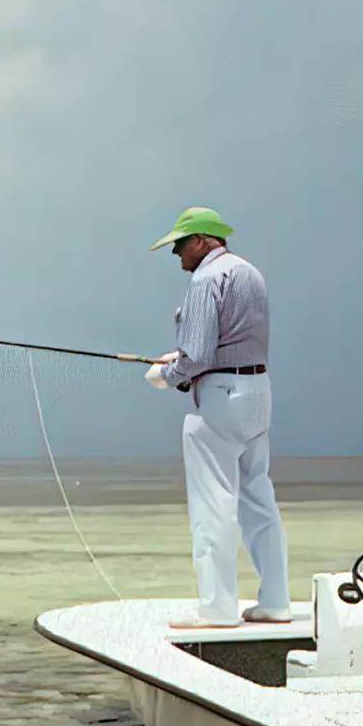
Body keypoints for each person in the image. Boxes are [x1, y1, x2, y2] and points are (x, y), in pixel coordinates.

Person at [144, 206, 290, 627]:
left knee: (213, 502)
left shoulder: (206, 279)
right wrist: (186, 360)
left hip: (221, 398)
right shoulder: (250, 272)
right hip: (258, 391)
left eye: (179, 245)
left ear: (203, 240)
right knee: (258, 497)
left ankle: (217, 608)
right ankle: (276, 601)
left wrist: (167, 374)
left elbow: (200, 354)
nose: (176, 255)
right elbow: (232, 339)